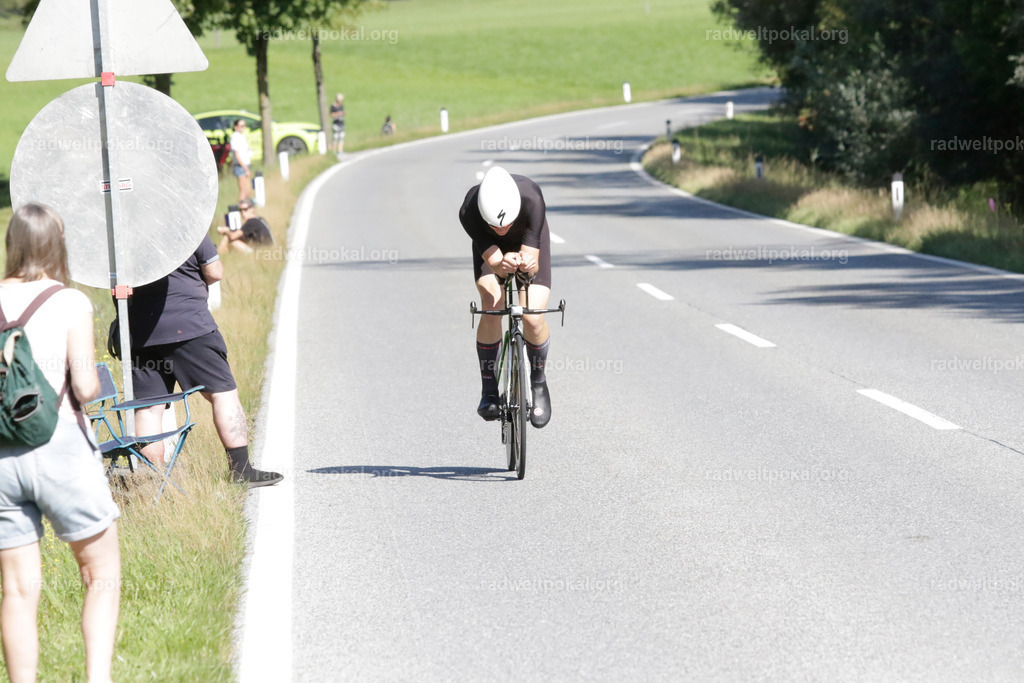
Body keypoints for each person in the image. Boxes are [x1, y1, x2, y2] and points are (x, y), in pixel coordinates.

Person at [0, 203, 121, 683]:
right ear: (56, 243)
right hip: (62, 444)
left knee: (16, 589)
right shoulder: (70, 302)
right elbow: (87, 388)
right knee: (100, 573)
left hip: (3, 455)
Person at [126, 235, 282, 488]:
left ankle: (153, 480)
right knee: (222, 394)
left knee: (148, 407)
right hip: (191, 327)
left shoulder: (127, 232)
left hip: (141, 332)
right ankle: (240, 470)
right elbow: (214, 271)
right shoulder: (188, 225)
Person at [459, 165, 553, 428]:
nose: (502, 229)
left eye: (506, 224)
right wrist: (501, 265)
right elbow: (495, 263)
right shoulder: (469, 211)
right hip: (491, 251)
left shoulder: (531, 198)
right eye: (495, 225)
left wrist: (525, 264)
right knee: (492, 304)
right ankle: (489, 388)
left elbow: (532, 266)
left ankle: (538, 382)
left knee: (532, 317)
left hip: (529, 241)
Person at [229, 119, 253, 202]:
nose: (244, 128)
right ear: (235, 127)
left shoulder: (241, 136)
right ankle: (240, 210)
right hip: (240, 166)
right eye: (241, 126)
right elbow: (237, 155)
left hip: (245, 165)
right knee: (243, 192)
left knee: (248, 191)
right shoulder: (235, 137)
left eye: (244, 125)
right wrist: (245, 169)